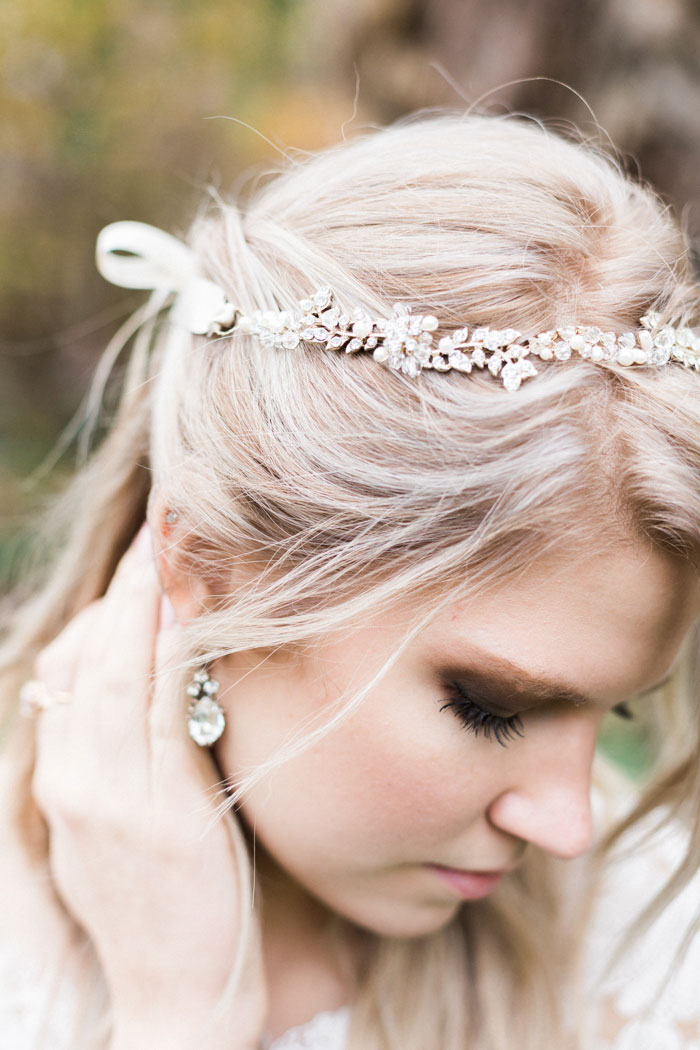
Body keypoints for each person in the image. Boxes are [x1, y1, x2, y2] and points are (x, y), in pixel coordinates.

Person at [1, 110, 700, 1050]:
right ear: (204, 565)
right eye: (489, 707)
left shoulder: (641, 940)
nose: (570, 826)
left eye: (617, 712)